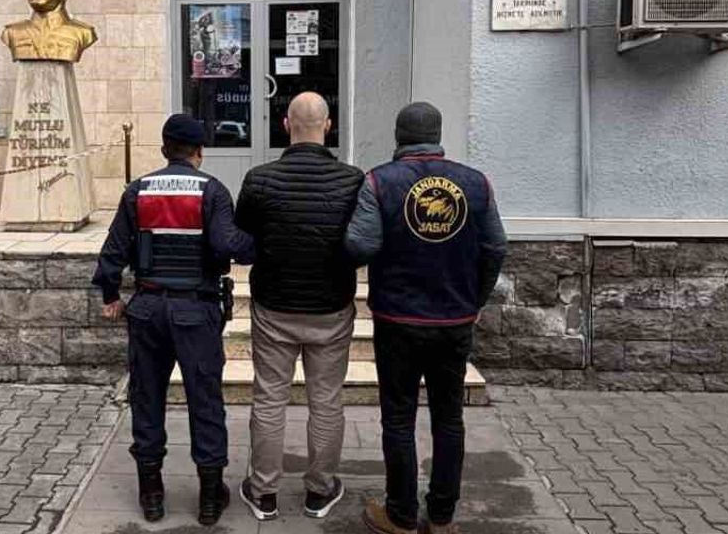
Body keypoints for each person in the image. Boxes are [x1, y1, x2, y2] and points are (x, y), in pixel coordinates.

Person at [344, 102, 507, 534]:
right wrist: (475, 299)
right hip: (453, 320)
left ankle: (400, 515)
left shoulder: (379, 181)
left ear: (399, 136)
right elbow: (496, 247)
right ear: (437, 135)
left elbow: (360, 246)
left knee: (398, 417)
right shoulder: (476, 183)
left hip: (397, 319)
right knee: (448, 418)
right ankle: (442, 517)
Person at [92, 113, 254, 526]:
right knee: (205, 400)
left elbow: (113, 251)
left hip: (147, 309)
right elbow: (227, 245)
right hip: (196, 311)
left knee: (146, 398)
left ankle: (151, 496)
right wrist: (258, 242)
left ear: (165, 149)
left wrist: (111, 295)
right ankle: (209, 500)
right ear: (199, 151)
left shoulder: (138, 190)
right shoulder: (212, 190)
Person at [234, 92, 364, 521]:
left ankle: (263, 491)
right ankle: (319, 491)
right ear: (328, 126)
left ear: (286, 125)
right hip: (331, 307)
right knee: (326, 400)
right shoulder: (352, 180)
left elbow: (244, 241)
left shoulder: (259, 180)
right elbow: (361, 242)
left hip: (274, 306)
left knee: (269, 398)